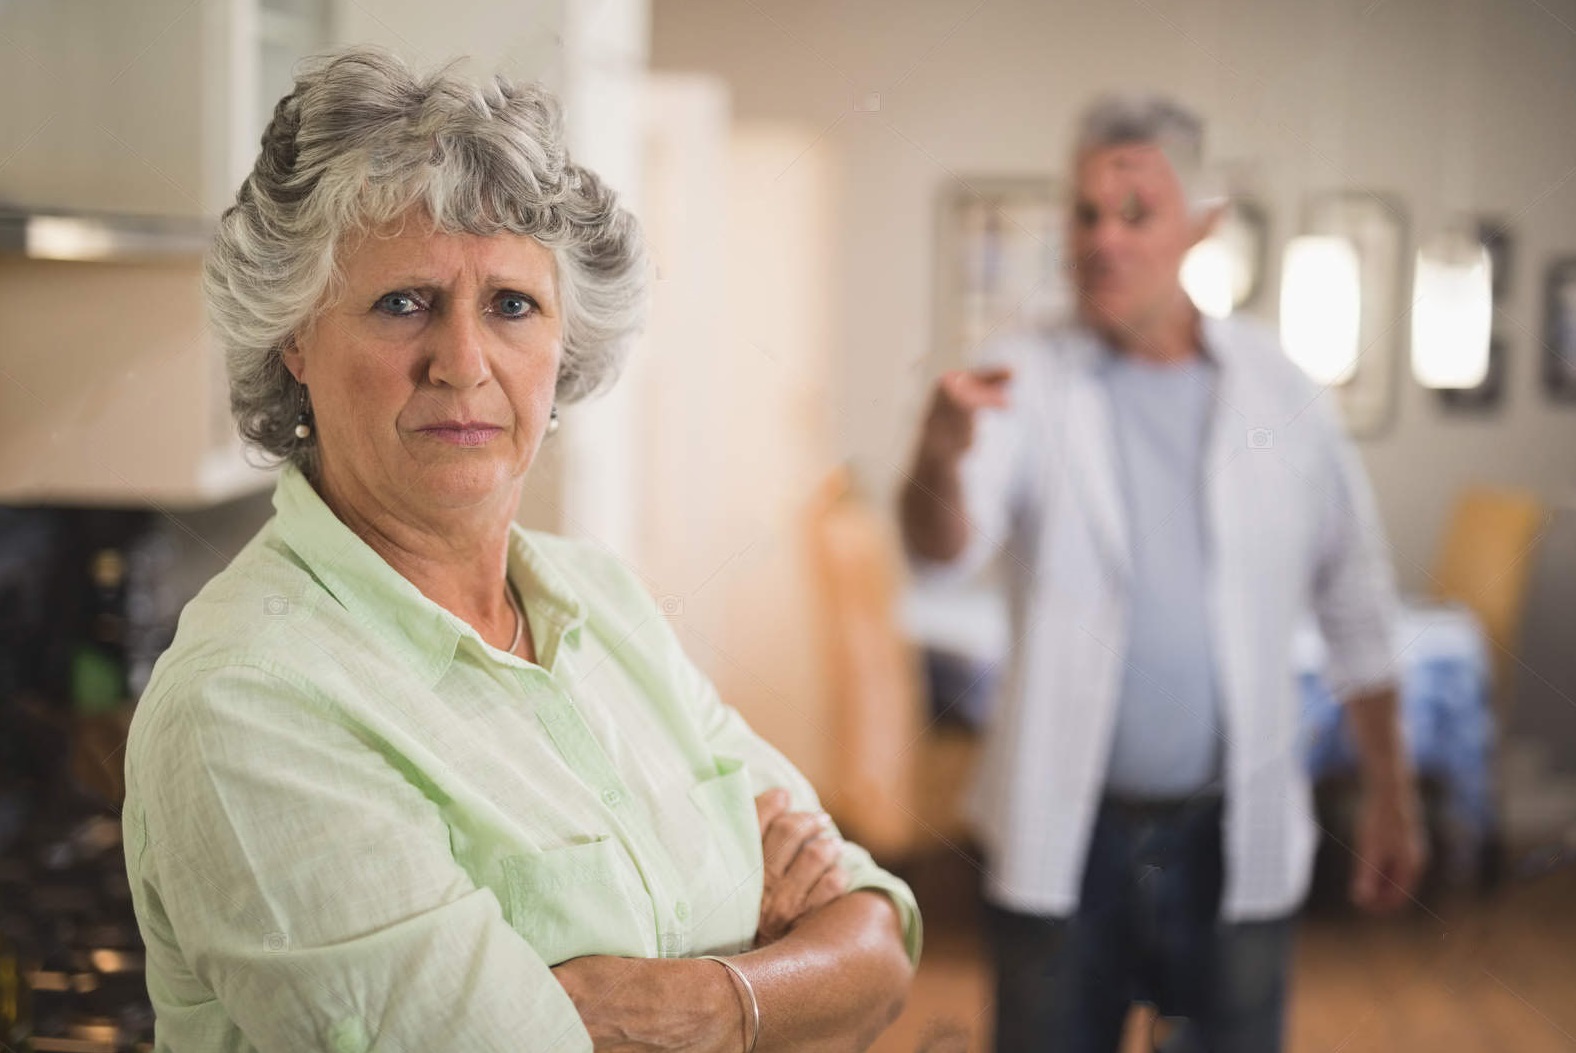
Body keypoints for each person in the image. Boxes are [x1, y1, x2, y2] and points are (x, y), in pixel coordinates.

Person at [121, 47, 919, 1052]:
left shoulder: (602, 599)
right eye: (402, 302)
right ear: (295, 337)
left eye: (511, 305)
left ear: (563, 342)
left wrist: (706, 1006)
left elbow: (881, 947)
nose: (462, 364)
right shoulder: (247, 700)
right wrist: (776, 970)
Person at [901, 93, 1425, 1052]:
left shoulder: (1281, 389)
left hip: (1232, 838)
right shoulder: (1021, 374)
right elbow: (943, 548)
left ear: (1203, 224)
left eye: (1136, 212)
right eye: (1086, 212)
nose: (1104, 237)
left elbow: (1357, 598)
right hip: (1068, 840)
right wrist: (937, 454)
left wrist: (1391, 791)